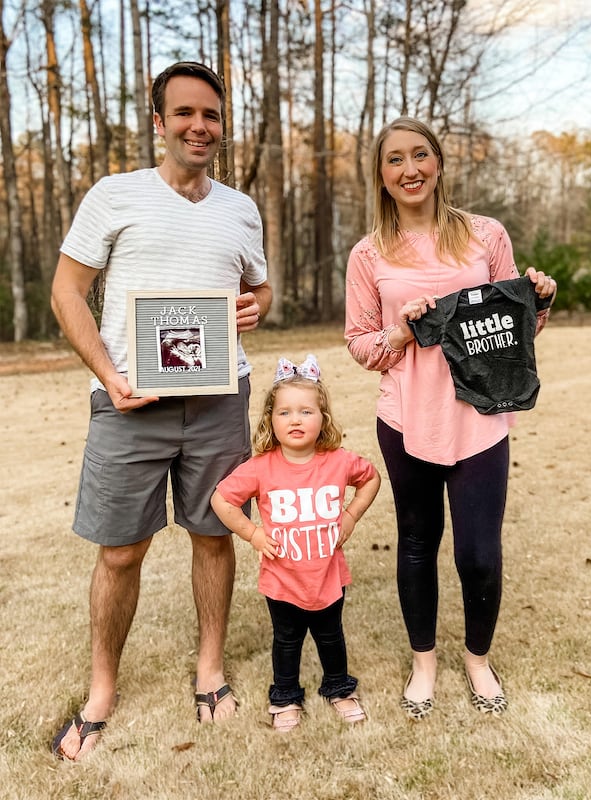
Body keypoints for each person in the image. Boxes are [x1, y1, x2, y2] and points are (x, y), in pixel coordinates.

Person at [50, 61, 272, 760]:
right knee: (120, 551)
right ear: (159, 121)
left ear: (221, 125)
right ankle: (101, 690)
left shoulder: (240, 208)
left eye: (210, 115)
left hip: (218, 401)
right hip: (129, 403)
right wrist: (109, 377)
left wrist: (254, 308)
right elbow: (66, 291)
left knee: (214, 537)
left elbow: (260, 292)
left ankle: (210, 671)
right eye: (184, 114)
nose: (198, 126)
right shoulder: (114, 197)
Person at [344, 117, 557, 719]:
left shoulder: (486, 236)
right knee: (416, 542)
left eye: (420, 156)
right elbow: (361, 345)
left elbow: (513, 332)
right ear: (381, 176)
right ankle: (424, 664)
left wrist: (538, 303)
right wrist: (401, 332)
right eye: (394, 161)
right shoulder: (369, 253)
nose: (409, 170)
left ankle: (478, 659)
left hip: (479, 418)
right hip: (407, 416)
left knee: (479, 553)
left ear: (438, 163)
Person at [210, 355, 381, 731]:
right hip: (282, 580)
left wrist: (349, 516)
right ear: (271, 420)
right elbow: (221, 499)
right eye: (285, 412)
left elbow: (371, 478)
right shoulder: (261, 467)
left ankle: (339, 687)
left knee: (330, 636)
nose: (296, 420)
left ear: (324, 418)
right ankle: (285, 696)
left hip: (328, 575)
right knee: (286, 640)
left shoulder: (338, 462)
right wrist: (254, 534)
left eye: (306, 411)